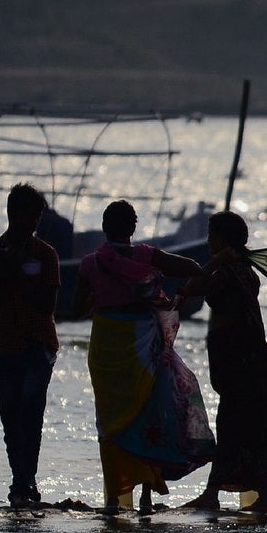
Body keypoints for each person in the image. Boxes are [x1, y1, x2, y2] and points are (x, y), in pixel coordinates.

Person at [72, 199, 213, 515]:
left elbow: (76, 309)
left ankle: (114, 499)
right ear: (132, 228)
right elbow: (190, 267)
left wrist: (101, 295)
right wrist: (188, 290)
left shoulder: (90, 264)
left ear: (105, 228)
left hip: (106, 348)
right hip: (144, 346)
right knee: (150, 414)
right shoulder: (147, 256)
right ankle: (147, 497)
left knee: (110, 423)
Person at [180, 212, 267, 514]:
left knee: (231, 424)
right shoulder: (244, 270)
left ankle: (212, 494)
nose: (208, 241)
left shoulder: (229, 272)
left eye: (212, 235)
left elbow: (192, 287)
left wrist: (213, 261)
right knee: (251, 426)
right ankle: (262, 495)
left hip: (240, 362)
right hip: (247, 359)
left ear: (224, 239)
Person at [0, 183, 61, 509]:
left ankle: (24, 481)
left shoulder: (45, 255)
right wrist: (2, 275)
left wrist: (21, 277)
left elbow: (47, 306)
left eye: (38, 216)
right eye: (31, 215)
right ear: (14, 214)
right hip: (5, 347)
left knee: (30, 412)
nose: (35, 223)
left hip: (38, 345)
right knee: (10, 417)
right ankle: (22, 480)